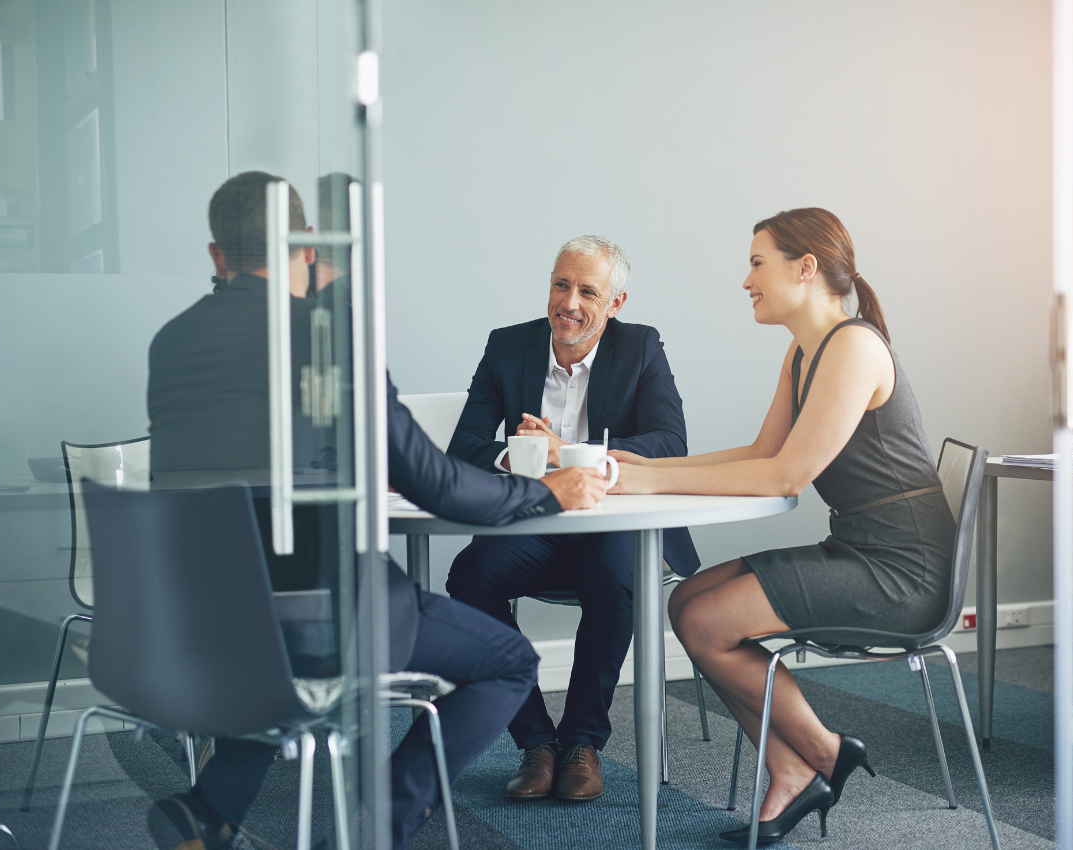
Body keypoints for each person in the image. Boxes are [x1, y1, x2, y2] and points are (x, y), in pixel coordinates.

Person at [145, 171, 609, 850]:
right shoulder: (327, 336)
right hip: (321, 615)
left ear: (217, 256)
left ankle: (208, 811)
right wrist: (547, 491)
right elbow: (436, 484)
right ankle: (385, 815)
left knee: (278, 639)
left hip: (207, 613)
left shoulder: (173, 341)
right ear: (307, 244)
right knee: (508, 659)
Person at [609, 208, 955, 846]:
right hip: (860, 548)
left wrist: (648, 482)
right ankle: (796, 764)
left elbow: (784, 477)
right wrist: (652, 465)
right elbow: (760, 452)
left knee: (708, 621)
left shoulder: (853, 346)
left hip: (903, 572)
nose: (746, 280)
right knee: (686, 601)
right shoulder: (806, 351)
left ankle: (817, 755)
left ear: (806, 267)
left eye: (756, 263)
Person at [444, 235, 698, 802]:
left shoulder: (641, 348)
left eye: (589, 291)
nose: (570, 302)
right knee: (469, 576)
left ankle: (583, 741)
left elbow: (669, 443)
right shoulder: (508, 346)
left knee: (617, 573)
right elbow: (464, 447)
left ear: (616, 304)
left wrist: (566, 453)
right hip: (537, 523)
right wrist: (523, 456)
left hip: (611, 525)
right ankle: (535, 741)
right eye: (562, 285)